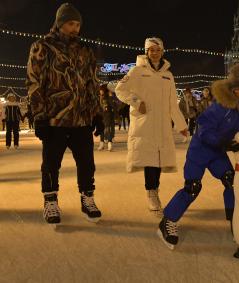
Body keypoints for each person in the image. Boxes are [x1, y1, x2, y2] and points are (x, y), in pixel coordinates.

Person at [157, 62, 239, 250]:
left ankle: (236, 219)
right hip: (200, 150)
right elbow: (203, 130)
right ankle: (168, 220)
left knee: (230, 180)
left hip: (217, 152)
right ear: (236, 89)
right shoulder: (220, 107)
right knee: (192, 187)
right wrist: (223, 142)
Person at [26, 3, 103, 224]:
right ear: (60, 24)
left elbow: (91, 83)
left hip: (80, 119)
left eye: (78, 24)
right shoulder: (42, 47)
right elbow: (34, 82)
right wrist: (39, 116)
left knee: (87, 163)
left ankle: (87, 198)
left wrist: (96, 113)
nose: (75, 28)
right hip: (54, 118)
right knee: (51, 163)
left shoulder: (85, 51)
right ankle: (50, 201)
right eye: (71, 23)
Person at [115, 37, 188, 212]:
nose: (154, 53)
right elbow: (120, 89)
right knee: (150, 160)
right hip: (145, 122)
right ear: (146, 52)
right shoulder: (136, 71)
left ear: (162, 52)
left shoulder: (167, 76)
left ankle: (154, 189)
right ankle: (151, 192)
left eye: (158, 50)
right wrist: (136, 101)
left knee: (158, 159)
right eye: (151, 50)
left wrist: (181, 125)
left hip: (162, 123)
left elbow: (172, 103)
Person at [98, 84, 116, 151]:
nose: (100, 91)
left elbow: (113, 105)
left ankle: (109, 142)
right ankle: (102, 143)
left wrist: (111, 96)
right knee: (101, 129)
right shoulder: (99, 96)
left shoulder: (108, 97)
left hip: (108, 115)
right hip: (101, 115)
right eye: (100, 90)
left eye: (101, 89)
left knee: (107, 128)